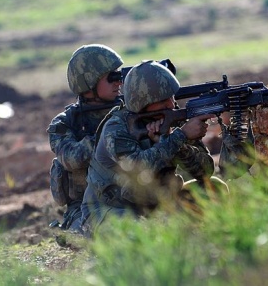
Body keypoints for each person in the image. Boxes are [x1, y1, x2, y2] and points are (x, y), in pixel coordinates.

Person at [80, 60, 224, 235]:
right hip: (110, 210)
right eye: (163, 101)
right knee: (140, 236)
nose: (171, 104)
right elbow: (138, 170)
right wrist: (180, 136)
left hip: (155, 205)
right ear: (142, 104)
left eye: (172, 97)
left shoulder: (170, 117)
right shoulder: (116, 128)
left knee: (215, 189)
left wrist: (177, 142)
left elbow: (205, 171)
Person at [47, 44, 124, 232]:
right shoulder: (66, 123)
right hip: (85, 207)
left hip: (131, 198)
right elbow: (71, 158)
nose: (119, 82)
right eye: (112, 77)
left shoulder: (129, 112)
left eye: (119, 76)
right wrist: (110, 135)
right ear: (90, 82)